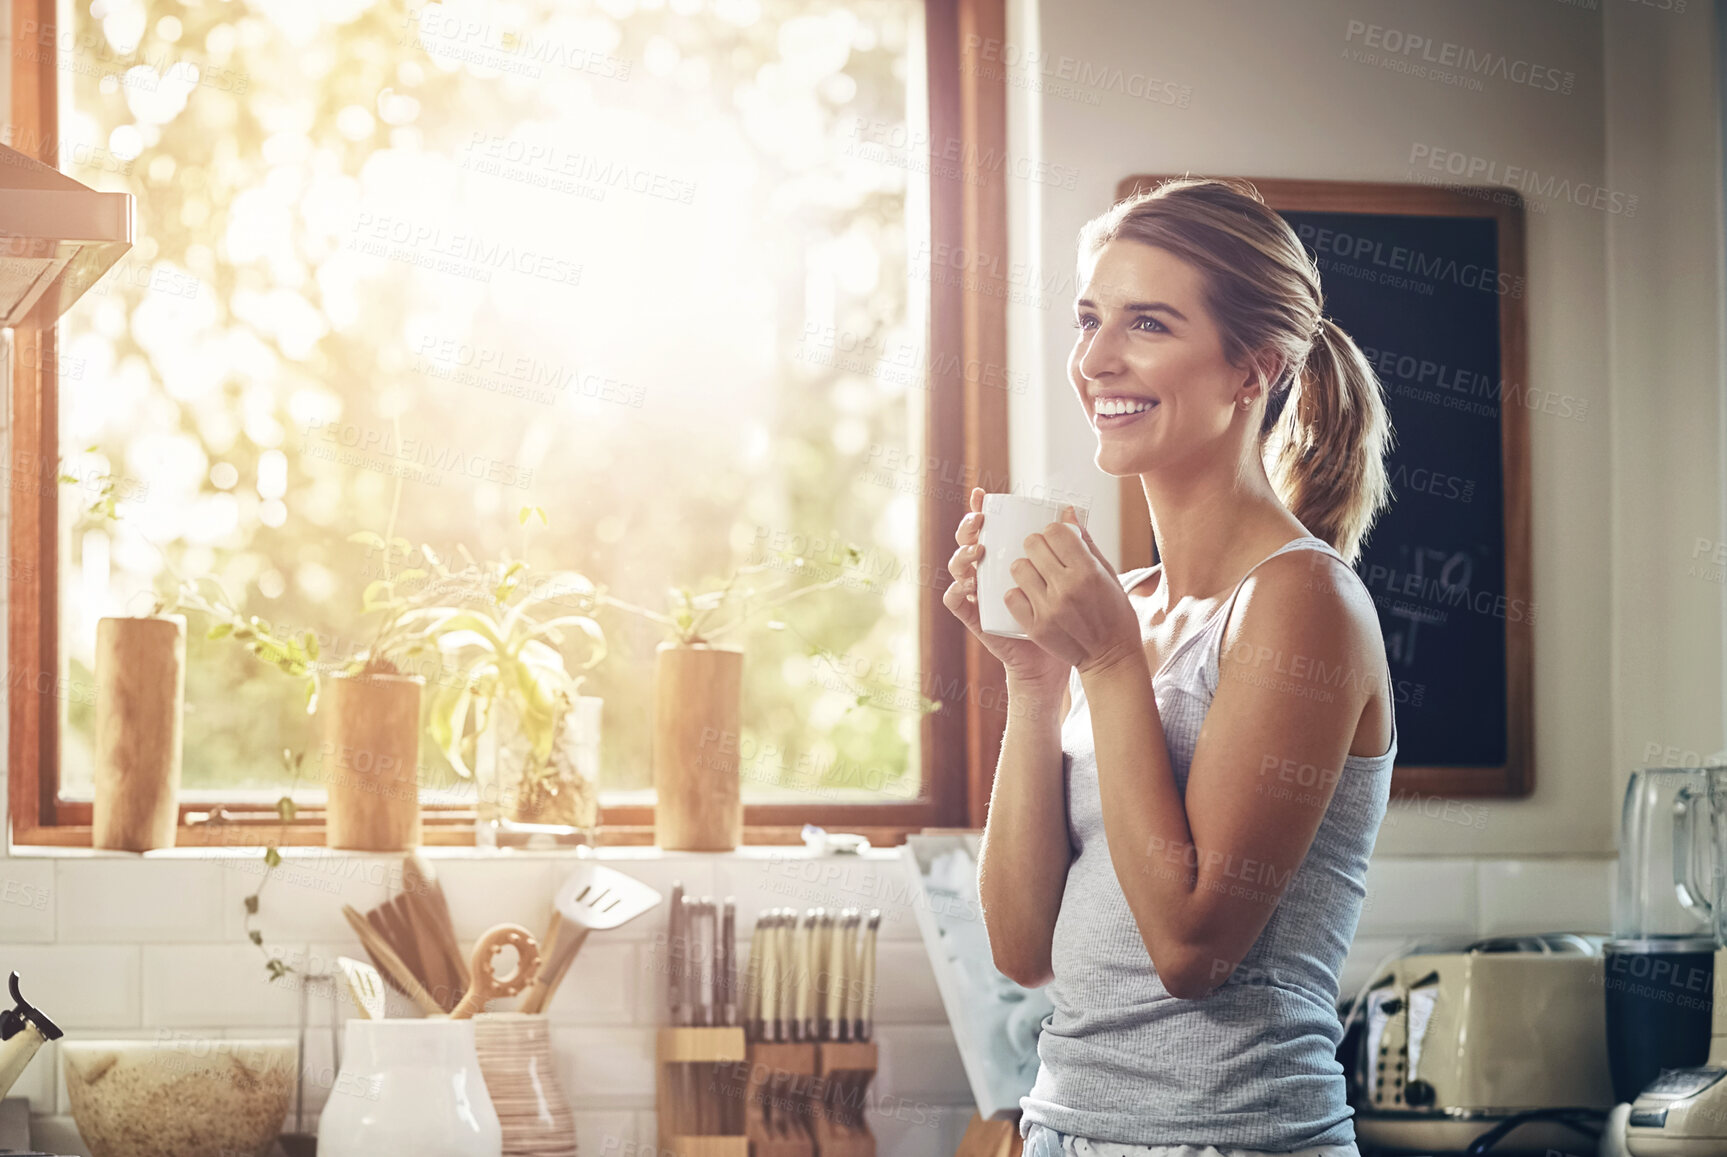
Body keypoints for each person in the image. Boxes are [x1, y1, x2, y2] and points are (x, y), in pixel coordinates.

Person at [942, 176, 1398, 1156]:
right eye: (1088, 318)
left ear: (1251, 370)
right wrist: (1033, 673)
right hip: (1062, 1129)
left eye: (1145, 322)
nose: (1096, 359)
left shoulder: (1300, 603)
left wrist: (1105, 662)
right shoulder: (1130, 606)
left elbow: (1191, 950)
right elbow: (1022, 950)